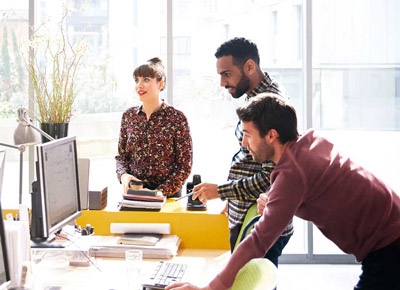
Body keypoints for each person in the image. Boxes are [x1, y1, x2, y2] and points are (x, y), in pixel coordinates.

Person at [166, 93, 400, 290]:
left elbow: (258, 241)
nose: (244, 144)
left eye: (248, 134)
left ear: (271, 135)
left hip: (389, 244)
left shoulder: (291, 174)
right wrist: (276, 198)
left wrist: (210, 288)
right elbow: (318, 187)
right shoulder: (310, 141)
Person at [192, 37, 293, 266]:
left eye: (227, 74)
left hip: (260, 218)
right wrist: (232, 200)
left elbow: (269, 178)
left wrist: (221, 191)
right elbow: (249, 159)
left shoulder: (270, 104)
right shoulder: (256, 94)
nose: (222, 83)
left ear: (249, 67)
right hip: (245, 211)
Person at [115, 57, 193, 197]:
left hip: (167, 196)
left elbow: (184, 166)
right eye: (137, 80)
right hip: (134, 193)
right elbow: (121, 157)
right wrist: (123, 176)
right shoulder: (129, 116)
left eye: (146, 79)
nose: (140, 85)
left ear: (160, 84)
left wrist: (158, 193)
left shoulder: (177, 118)